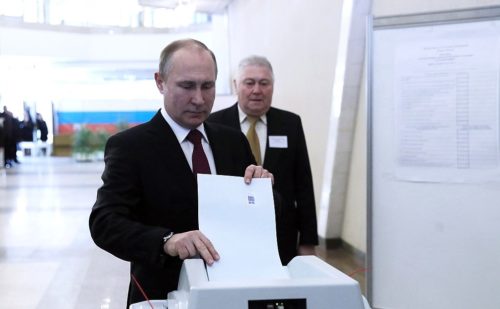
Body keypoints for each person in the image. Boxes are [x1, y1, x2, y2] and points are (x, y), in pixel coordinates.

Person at [89, 39, 274, 306]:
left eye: (207, 86)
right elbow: (105, 222)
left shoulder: (232, 142)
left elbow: (260, 215)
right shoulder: (131, 146)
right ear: (160, 82)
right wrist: (167, 241)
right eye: (187, 86)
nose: (199, 99)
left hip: (233, 290)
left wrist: (265, 191)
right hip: (162, 292)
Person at [208, 55, 318, 265]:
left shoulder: (290, 124)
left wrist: (307, 241)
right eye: (249, 83)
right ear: (235, 85)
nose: (257, 90)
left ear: (273, 86)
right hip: (231, 232)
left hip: (281, 233)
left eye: (264, 83)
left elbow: (303, 184)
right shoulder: (214, 124)